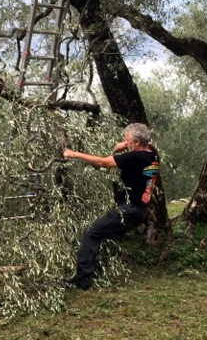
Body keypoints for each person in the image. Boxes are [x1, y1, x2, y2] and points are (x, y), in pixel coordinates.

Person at [62, 123, 160, 290]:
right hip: (140, 211)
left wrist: (73, 154)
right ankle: (98, 269)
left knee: (91, 233)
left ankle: (82, 281)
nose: (125, 143)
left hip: (129, 210)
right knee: (102, 233)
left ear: (137, 142)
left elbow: (102, 163)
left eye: (127, 140)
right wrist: (120, 147)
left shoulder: (135, 157)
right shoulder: (153, 155)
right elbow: (145, 144)